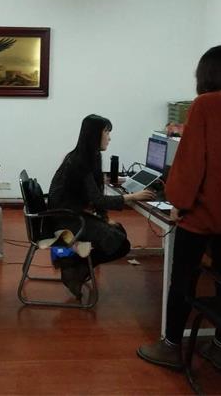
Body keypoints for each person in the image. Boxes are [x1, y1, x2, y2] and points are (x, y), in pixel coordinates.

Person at [137, 46, 221, 373]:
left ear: (207, 74)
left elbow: (191, 160)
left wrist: (178, 202)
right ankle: (220, 347)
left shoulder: (205, 104)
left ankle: (171, 346)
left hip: (202, 213)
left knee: (183, 280)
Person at [48, 114, 155, 299]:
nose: (109, 138)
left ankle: (74, 266)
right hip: (66, 220)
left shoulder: (87, 157)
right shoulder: (81, 162)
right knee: (121, 243)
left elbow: (95, 196)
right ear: (94, 135)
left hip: (71, 215)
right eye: (106, 132)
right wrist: (132, 197)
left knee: (117, 232)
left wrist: (104, 218)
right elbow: (98, 200)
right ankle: (75, 267)